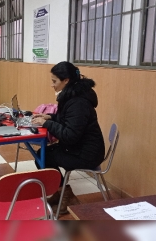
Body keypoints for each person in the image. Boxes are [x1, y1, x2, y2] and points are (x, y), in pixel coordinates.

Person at [31, 61, 105, 214]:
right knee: (44, 155)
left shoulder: (78, 102)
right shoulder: (73, 95)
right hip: (80, 147)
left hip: (87, 154)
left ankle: (66, 196)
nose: (52, 85)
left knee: (44, 157)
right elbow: (67, 120)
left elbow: (70, 135)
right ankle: (62, 194)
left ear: (66, 80)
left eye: (54, 81)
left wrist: (46, 124)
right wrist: (50, 117)